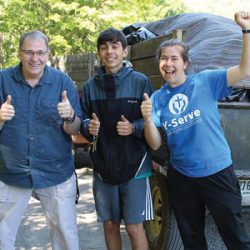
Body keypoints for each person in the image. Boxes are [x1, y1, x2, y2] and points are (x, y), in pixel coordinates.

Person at [141, 11, 250, 250]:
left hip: (218, 173)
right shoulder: (158, 98)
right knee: (192, 241)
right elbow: (156, 144)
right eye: (164, 59)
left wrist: (245, 30)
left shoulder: (206, 81)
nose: (168, 64)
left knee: (236, 238)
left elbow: (244, 69)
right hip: (183, 179)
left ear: (185, 63)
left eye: (174, 58)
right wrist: (148, 119)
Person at [0, 30, 82, 250]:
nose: (34, 58)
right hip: (11, 173)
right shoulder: (2, 80)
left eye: (40, 53)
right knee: (1, 236)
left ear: (47, 54)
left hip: (56, 172)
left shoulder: (62, 82)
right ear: (19, 53)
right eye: (29, 52)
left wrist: (70, 116)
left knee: (65, 236)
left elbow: (74, 128)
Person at [80, 27, 154, 250]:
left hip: (136, 167)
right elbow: (82, 123)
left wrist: (134, 127)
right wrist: (88, 126)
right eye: (104, 47)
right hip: (103, 168)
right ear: (98, 53)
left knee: (134, 227)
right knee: (110, 225)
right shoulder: (90, 87)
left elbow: (153, 121)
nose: (109, 52)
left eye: (114, 47)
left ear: (125, 52)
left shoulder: (141, 82)